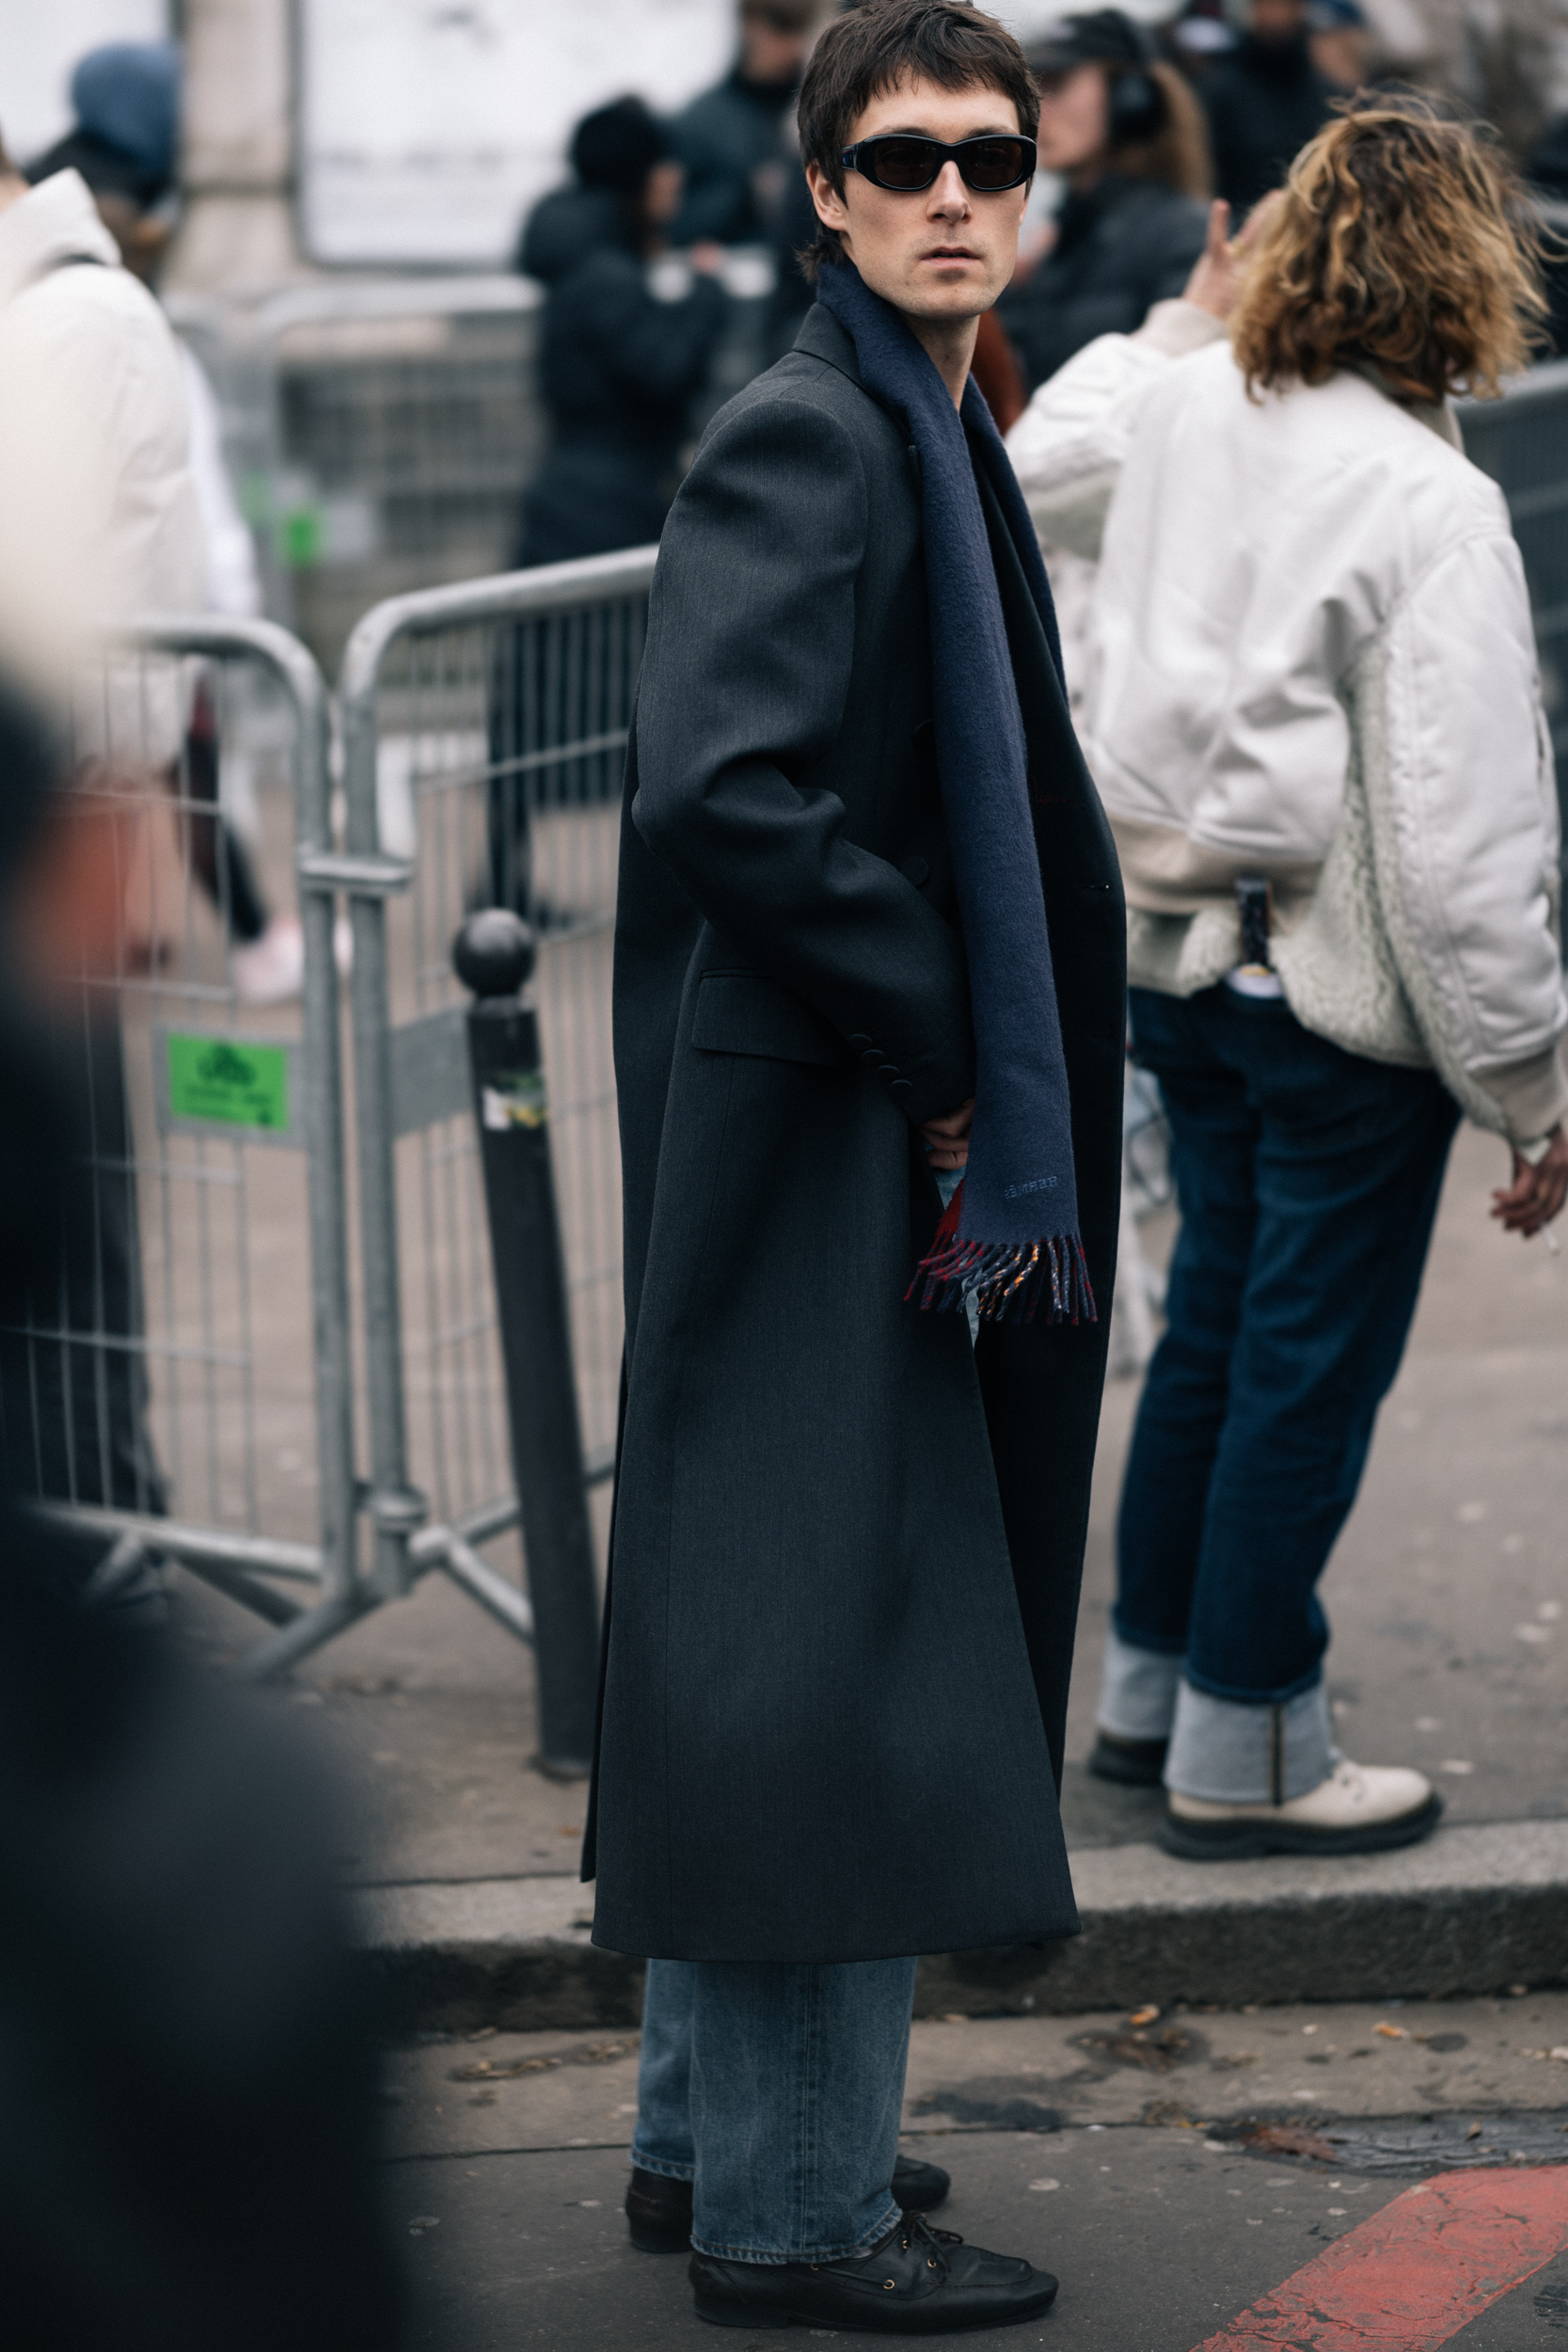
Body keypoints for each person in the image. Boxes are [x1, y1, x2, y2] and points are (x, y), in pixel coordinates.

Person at [592, 0, 1123, 2329]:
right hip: (825, 1121)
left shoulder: (919, 412)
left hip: (811, 1109)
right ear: (818, 186)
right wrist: (940, 1050)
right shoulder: (821, 431)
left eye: (983, 158)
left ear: (1029, 184)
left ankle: (714, 2146)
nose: (945, 193)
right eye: (895, 158)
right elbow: (737, 788)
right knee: (844, 1652)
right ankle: (799, 2218)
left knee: (766, 1631)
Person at [1006, 101, 1568, 1860]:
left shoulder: (1181, 409)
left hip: (1176, 969)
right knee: (1300, 1368)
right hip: (1332, 1002)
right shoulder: (1429, 500)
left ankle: (1151, 1690)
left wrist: (1190, 309)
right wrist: (1534, 1086)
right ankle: (1245, 1749)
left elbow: (1037, 459)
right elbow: (1458, 841)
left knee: (1219, 1336)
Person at [28, 40, 303, 1009]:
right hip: (145, 633)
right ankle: (249, 934)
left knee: (161, 789)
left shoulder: (84, 301)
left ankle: (229, 933)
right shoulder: (101, 303)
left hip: (126, 642)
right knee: (178, 787)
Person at [514, 97, 729, 569]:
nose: (675, 177)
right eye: (663, 163)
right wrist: (706, 294)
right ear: (638, 178)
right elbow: (664, 369)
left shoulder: (587, 258)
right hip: (604, 513)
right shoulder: (603, 275)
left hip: (580, 502)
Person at [997, 12, 1212, 395]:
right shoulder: (1058, 238)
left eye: (1057, 85)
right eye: (1032, 91)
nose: (1036, 110)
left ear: (1131, 98)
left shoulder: (1185, 237)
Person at [670, 0, 823, 247]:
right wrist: (747, 192)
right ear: (748, 23)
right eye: (782, 27)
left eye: (803, 29)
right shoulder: (700, 120)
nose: (794, 46)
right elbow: (669, 223)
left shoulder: (828, 108)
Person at [1199, 0, 1334, 214]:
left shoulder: (1327, 93)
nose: (1276, 16)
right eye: (1266, 5)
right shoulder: (1220, 94)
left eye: (1286, 5)